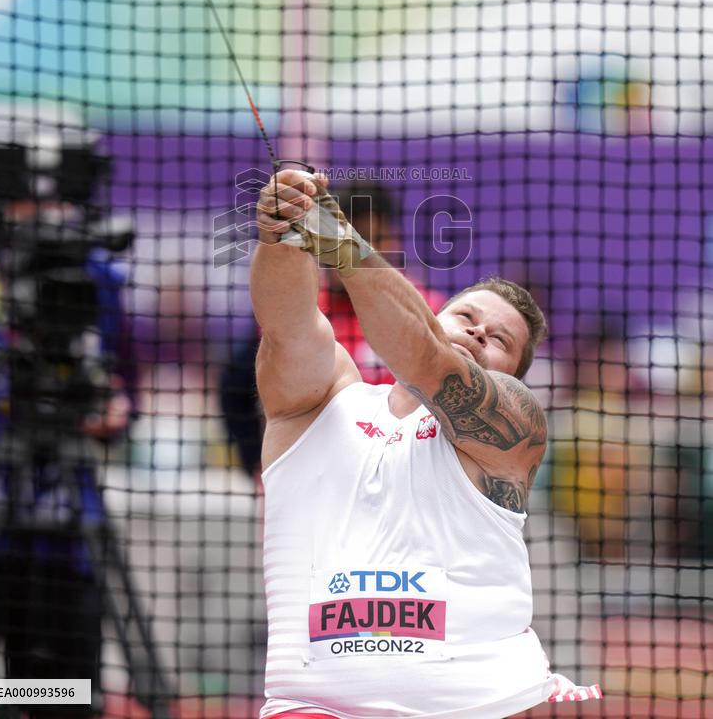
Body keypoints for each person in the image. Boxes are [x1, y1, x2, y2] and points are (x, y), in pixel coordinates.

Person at [251, 168, 602, 719]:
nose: (481, 332)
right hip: (316, 707)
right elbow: (289, 326)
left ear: (512, 377)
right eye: (467, 316)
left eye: (501, 340)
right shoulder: (318, 405)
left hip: (498, 703)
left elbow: (424, 356)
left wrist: (342, 243)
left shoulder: (512, 428)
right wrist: (283, 233)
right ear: (431, 313)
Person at [0, 102, 137, 718]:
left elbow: (124, 387)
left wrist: (113, 408)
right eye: (24, 191)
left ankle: (16, 704)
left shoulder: (96, 275)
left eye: (61, 192)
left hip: (64, 535)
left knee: (62, 700)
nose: (43, 211)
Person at [220, 179, 443, 477]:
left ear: (393, 239)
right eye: (346, 237)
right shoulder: (300, 306)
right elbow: (234, 388)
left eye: (370, 238)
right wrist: (257, 465)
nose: (353, 250)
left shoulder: (428, 311)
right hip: (313, 485)